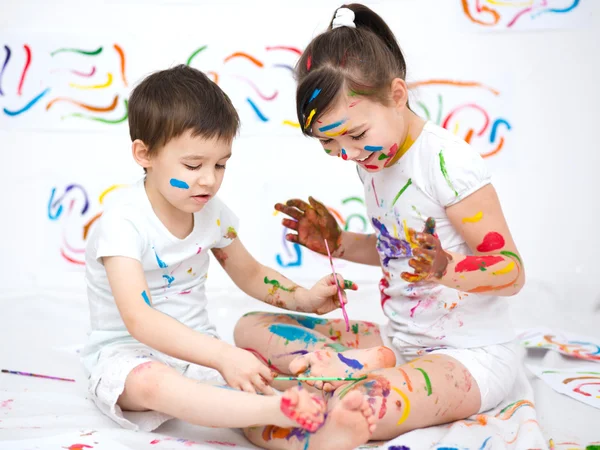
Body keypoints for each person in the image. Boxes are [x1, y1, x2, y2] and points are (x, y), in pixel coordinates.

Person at [234, 4, 525, 448]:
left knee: (350, 404)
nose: (348, 153)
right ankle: (366, 363)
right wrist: (340, 242)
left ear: (397, 94)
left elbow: (510, 271)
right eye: (329, 143)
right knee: (250, 327)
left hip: (468, 356)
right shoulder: (374, 158)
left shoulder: (447, 162)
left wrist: (445, 269)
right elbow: (396, 250)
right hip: (400, 340)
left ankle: (343, 390)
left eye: (354, 134)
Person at [80, 64, 377, 447]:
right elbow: (139, 319)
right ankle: (275, 409)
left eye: (220, 164)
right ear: (145, 154)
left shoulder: (211, 212)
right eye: (192, 165)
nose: (208, 178)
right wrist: (222, 355)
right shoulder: (123, 222)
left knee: (248, 387)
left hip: (198, 353)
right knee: (151, 382)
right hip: (126, 355)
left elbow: (251, 273)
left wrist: (304, 298)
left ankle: (315, 432)